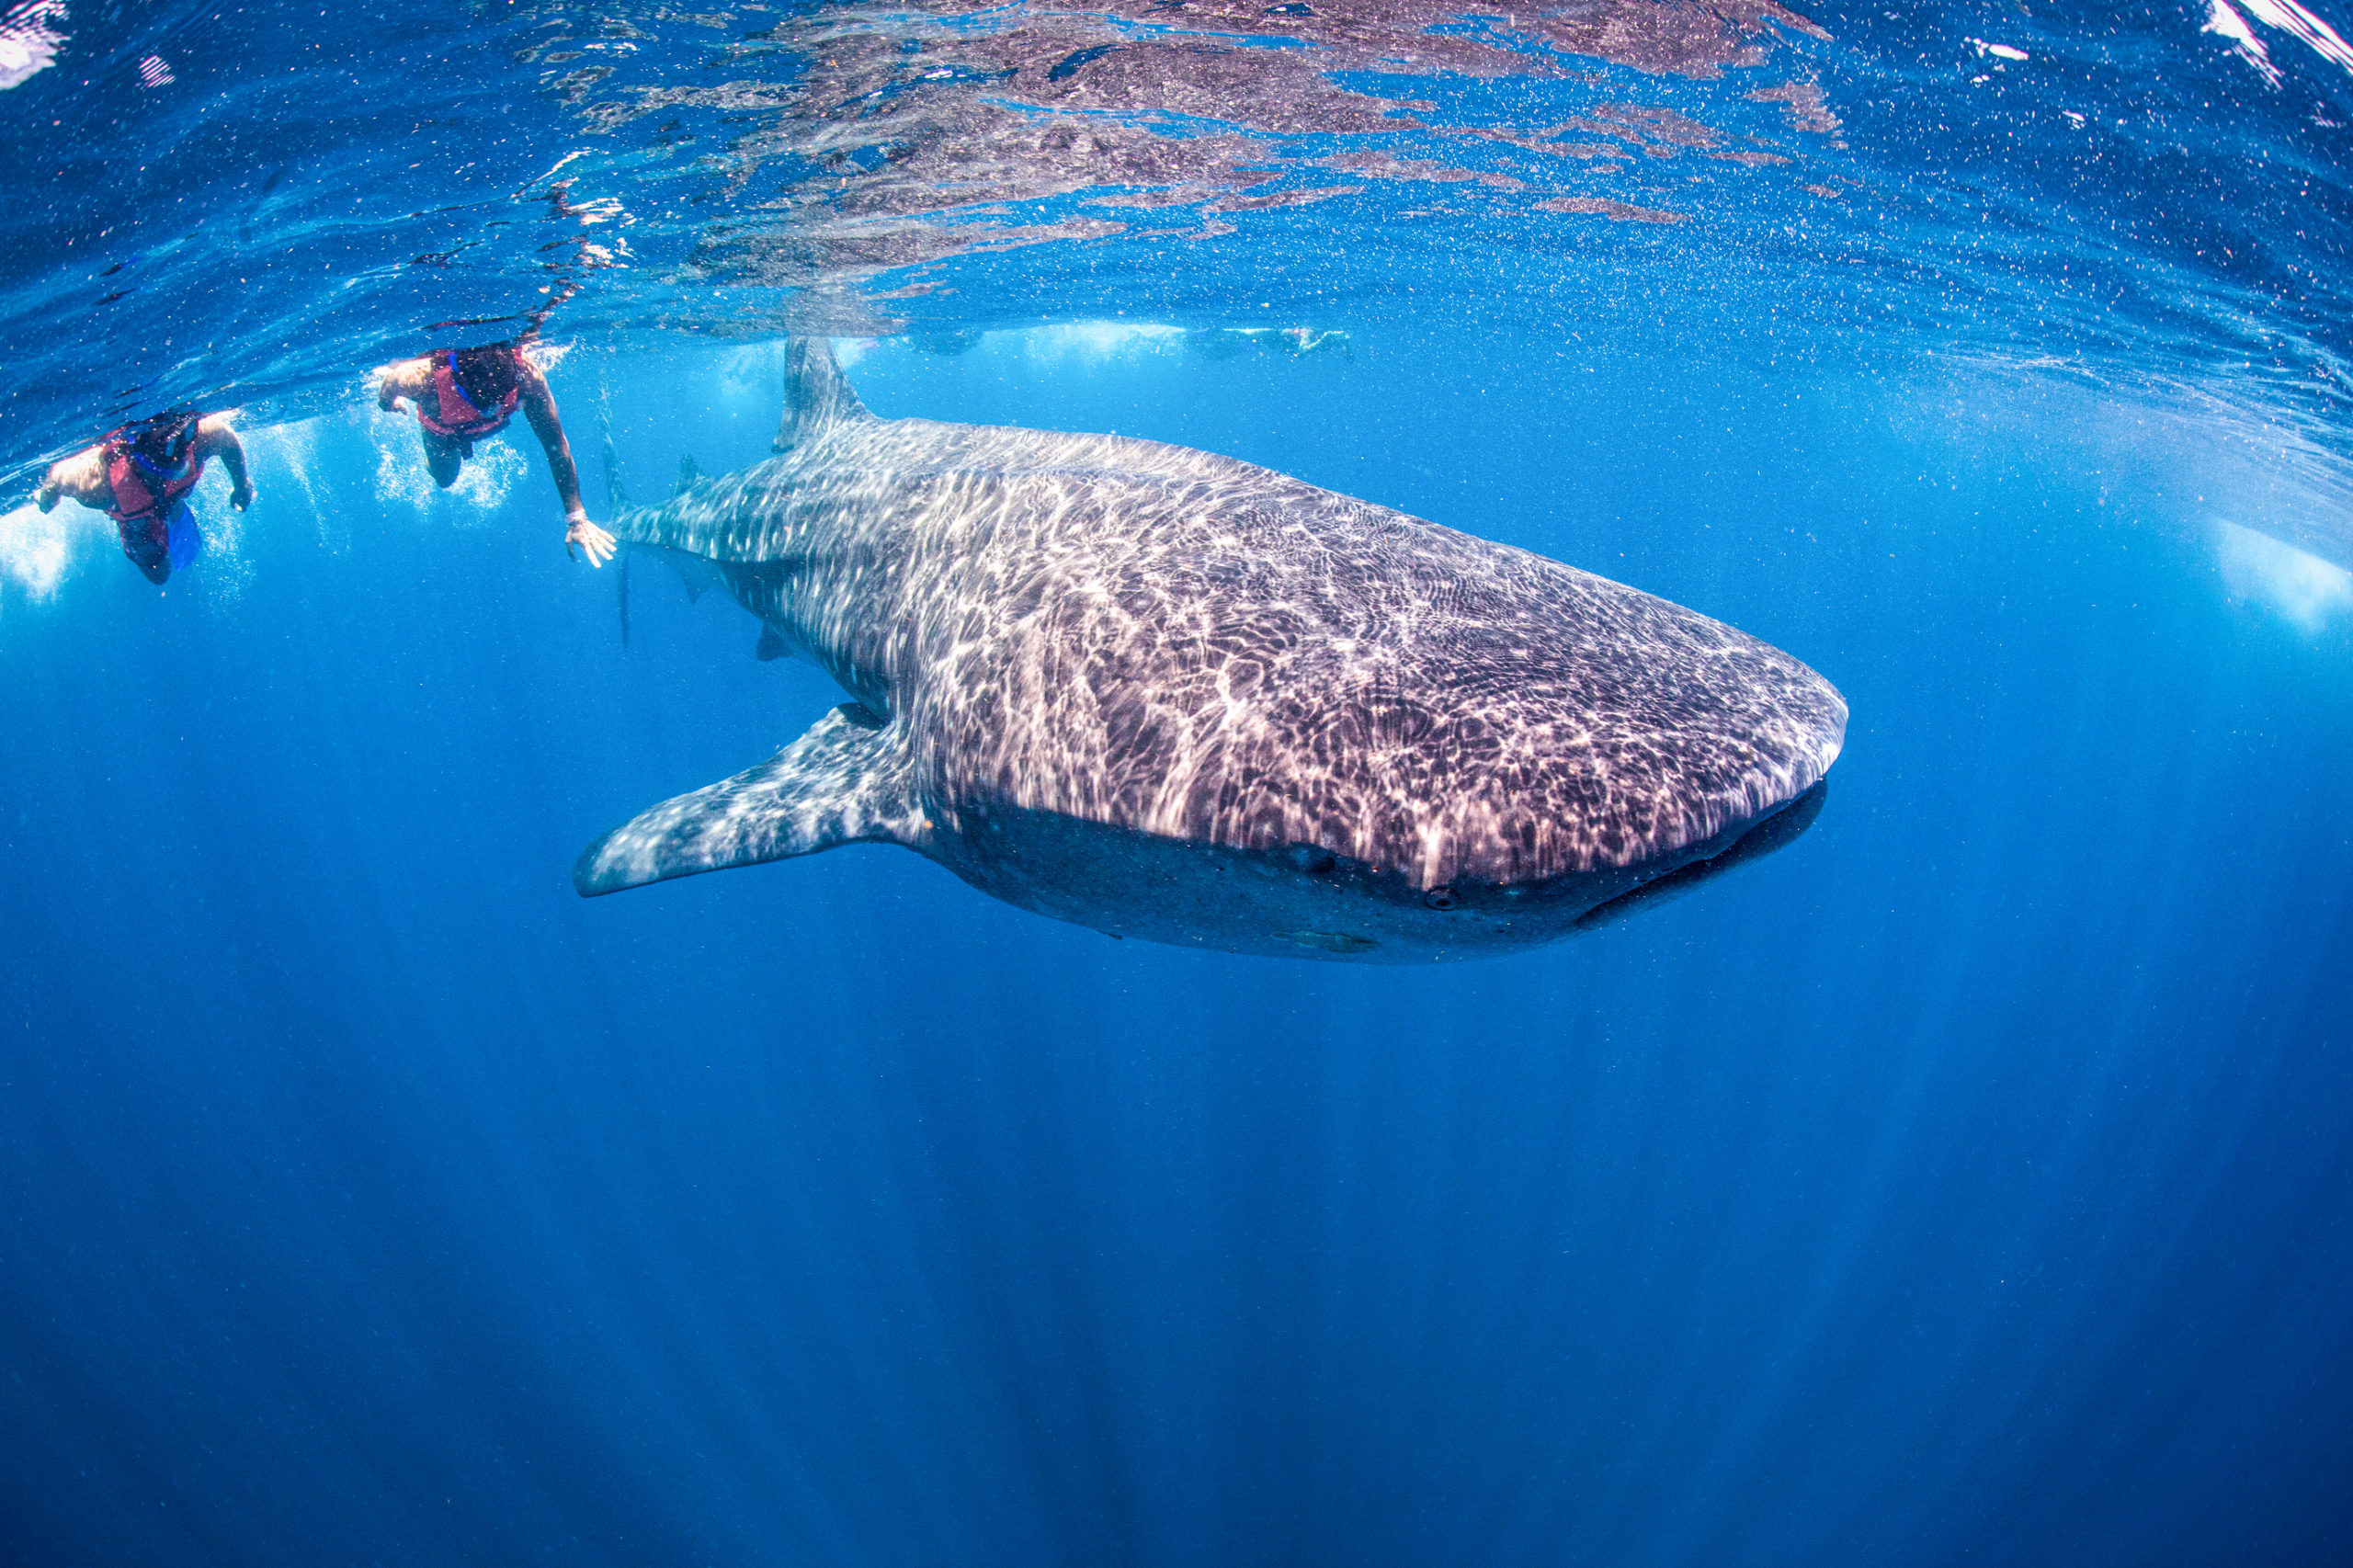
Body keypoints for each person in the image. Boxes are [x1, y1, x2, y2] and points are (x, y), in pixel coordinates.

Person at [373, 335, 616, 566]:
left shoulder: (528, 379)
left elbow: (556, 447)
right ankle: (431, 457)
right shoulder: (416, 379)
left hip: (482, 428)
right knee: (445, 479)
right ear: (459, 379)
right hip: (442, 435)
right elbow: (385, 396)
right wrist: (392, 405)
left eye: (500, 398)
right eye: (483, 400)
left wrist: (577, 518)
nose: (493, 406)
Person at [35, 411, 253, 586]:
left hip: (164, 498)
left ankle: (169, 507)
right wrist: (47, 497)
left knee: (170, 504)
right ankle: (165, 510)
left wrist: (241, 484)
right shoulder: (100, 486)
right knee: (157, 573)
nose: (163, 477)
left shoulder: (200, 437)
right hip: (134, 514)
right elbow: (58, 475)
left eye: (173, 469)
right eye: (159, 471)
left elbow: (226, 439)